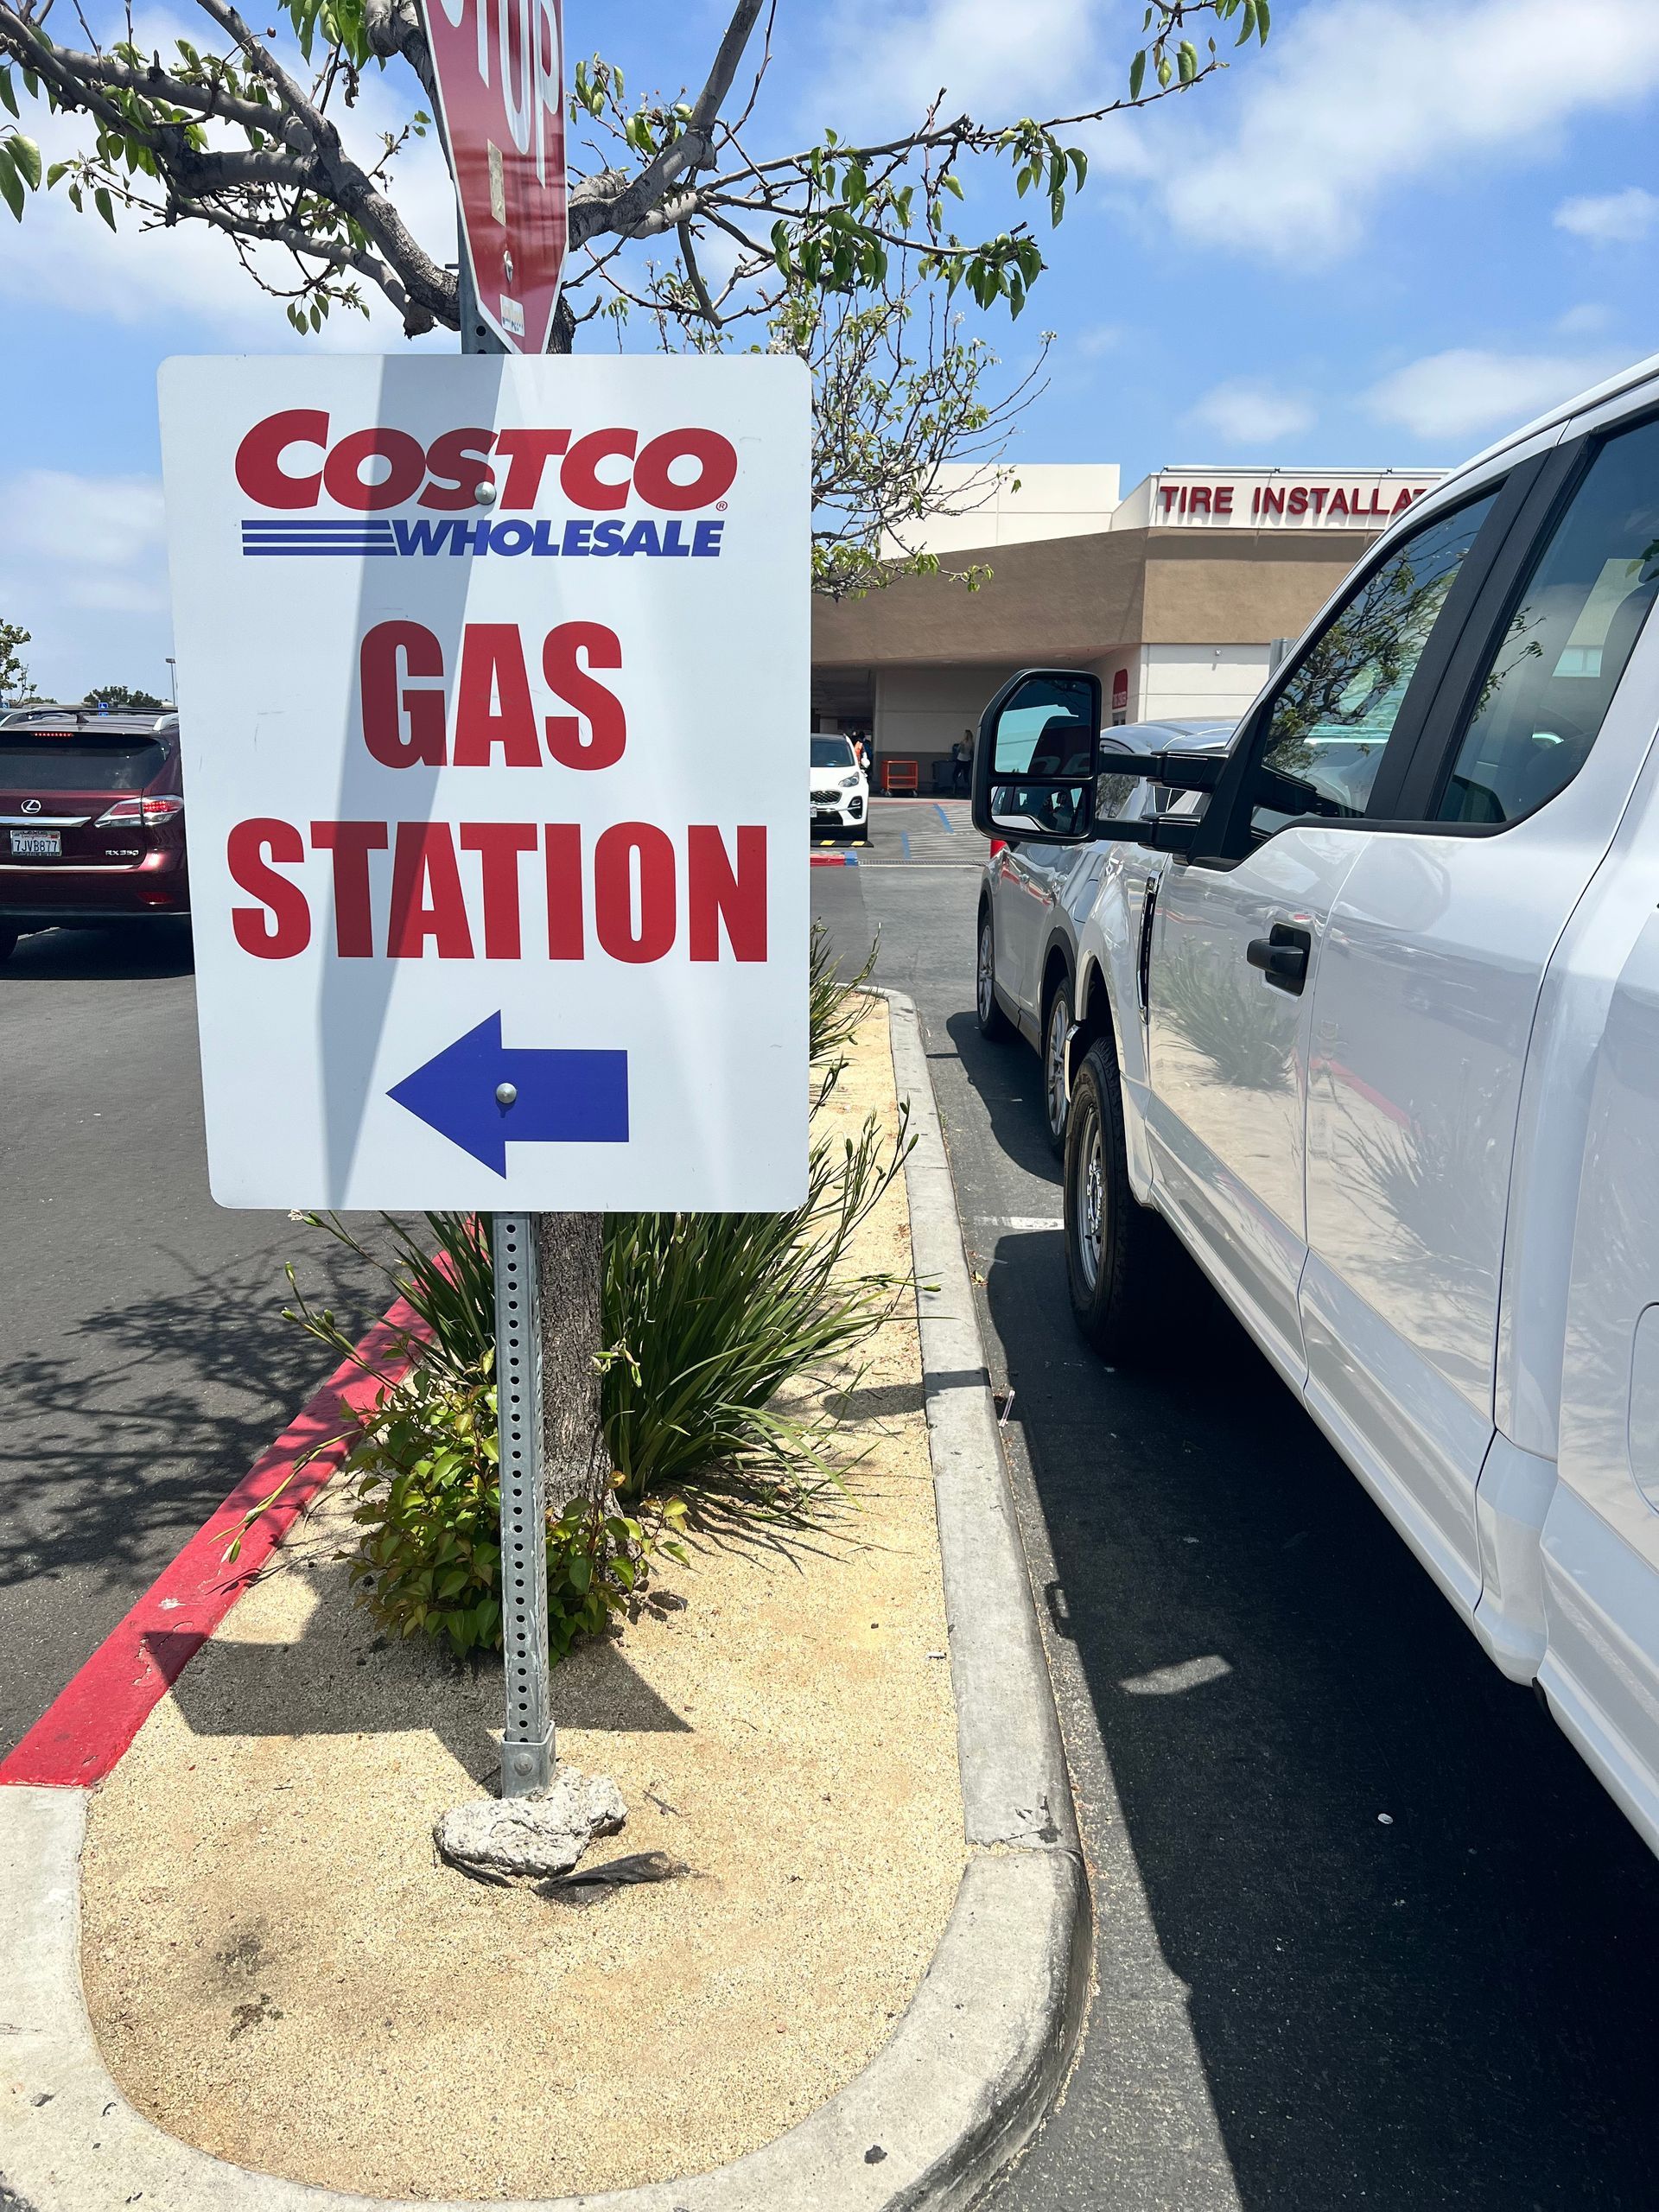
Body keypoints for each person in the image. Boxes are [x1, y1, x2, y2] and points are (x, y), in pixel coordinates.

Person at [950, 730, 972, 794]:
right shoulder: (971, 743)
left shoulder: (963, 742)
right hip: (968, 760)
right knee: (966, 776)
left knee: (955, 775)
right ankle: (967, 791)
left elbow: (959, 750)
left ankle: (954, 791)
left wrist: (960, 745)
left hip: (960, 759)